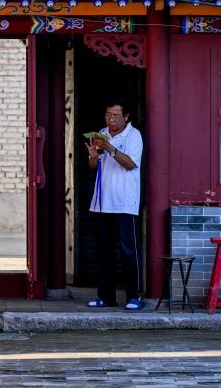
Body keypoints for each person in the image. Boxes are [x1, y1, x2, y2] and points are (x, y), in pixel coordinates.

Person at [85, 98, 144, 311]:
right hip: (102, 203)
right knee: (104, 252)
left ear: (126, 117)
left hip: (125, 203)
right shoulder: (102, 133)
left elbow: (130, 164)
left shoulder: (134, 135)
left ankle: (135, 296)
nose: (111, 119)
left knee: (129, 251)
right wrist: (93, 155)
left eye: (116, 115)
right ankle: (106, 297)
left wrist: (109, 147)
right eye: (108, 115)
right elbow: (94, 166)